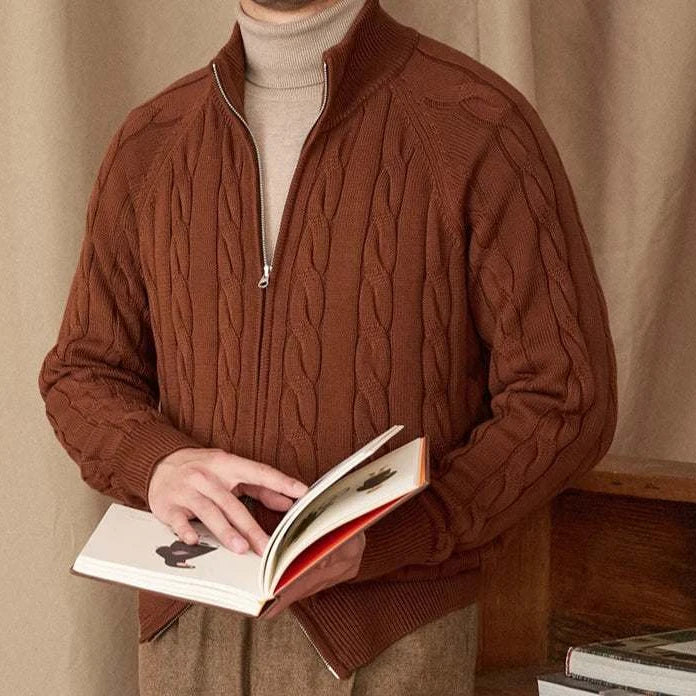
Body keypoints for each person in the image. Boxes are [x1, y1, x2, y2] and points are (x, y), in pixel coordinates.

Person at [37, 0, 618, 692]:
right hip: (186, 629)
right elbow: (82, 371)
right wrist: (156, 461)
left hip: (389, 638)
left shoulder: (477, 126)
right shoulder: (151, 141)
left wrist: (394, 537)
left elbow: (566, 397)